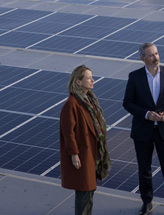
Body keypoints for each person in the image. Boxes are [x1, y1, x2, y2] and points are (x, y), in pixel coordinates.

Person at [123, 42, 164, 215]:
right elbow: (127, 102)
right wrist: (145, 114)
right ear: (142, 58)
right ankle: (147, 202)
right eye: (151, 55)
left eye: (156, 53)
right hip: (143, 131)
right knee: (144, 169)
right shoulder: (135, 77)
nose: (155, 57)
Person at [60, 65, 111, 215]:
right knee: (84, 191)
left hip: (92, 153)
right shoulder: (71, 104)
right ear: (78, 82)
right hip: (82, 155)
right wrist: (74, 154)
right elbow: (68, 133)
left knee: (89, 190)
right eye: (88, 78)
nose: (92, 80)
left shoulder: (90, 99)